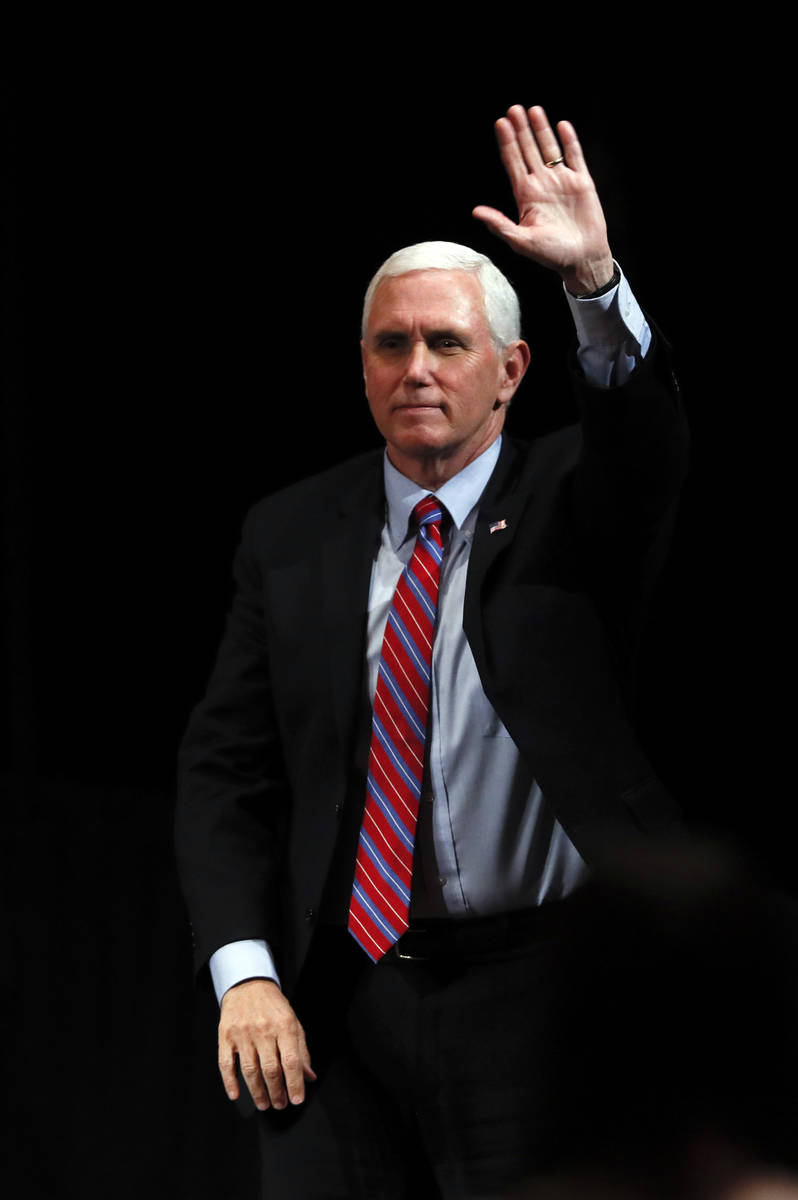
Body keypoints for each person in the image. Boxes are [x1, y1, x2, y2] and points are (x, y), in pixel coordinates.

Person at [176, 102, 689, 1197]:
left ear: (509, 370)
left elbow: (642, 439)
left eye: (446, 343)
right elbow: (226, 775)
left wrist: (594, 282)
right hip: (343, 999)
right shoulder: (290, 533)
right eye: (391, 343)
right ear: (361, 368)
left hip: (548, 988)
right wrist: (245, 977)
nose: (417, 366)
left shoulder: (571, 497)